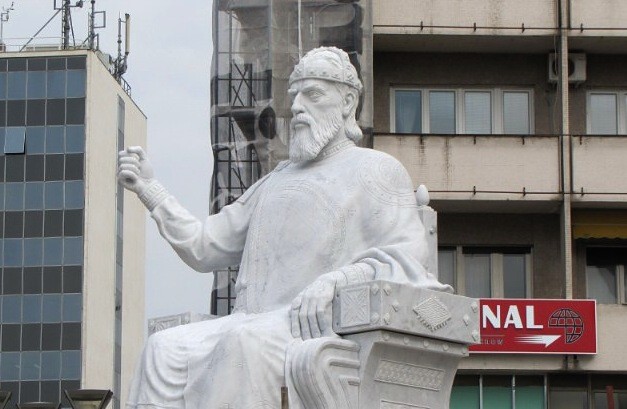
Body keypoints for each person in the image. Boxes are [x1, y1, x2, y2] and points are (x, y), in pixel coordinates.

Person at [118, 46, 450, 409]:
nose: (297, 107)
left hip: (315, 324)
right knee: (162, 348)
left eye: (313, 94)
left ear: (347, 101)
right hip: (254, 322)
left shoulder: (376, 170)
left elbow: (407, 257)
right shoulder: (275, 181)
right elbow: (204, 246)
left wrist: (336, 281)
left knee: (243, 343)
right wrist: (150, 190)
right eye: (294, 97)